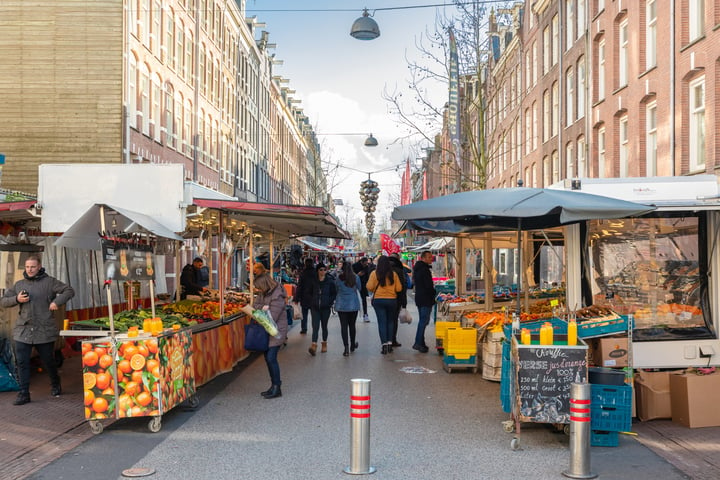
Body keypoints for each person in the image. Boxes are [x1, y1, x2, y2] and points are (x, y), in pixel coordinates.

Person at [1, 255, 75, 405]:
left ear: (39, 267)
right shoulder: (19, 284)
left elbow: (69, 290)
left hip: (44, 329)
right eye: (27, 267)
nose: (30, 270)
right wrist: (17, 299)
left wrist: (57, 301)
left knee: (48, 361)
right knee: (22, 362)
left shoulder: (50, 282)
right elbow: (3, 301)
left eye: (33, 267)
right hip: (24, 330)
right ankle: (24, 394)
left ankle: (55, 383)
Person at [252, 273, 288, 399]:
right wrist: (263, 307)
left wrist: (263, 310)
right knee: (268, 357)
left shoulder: (277, 295)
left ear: (264, 285)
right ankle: (273, 386)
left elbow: (273, 315)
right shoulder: (263, 293)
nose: (257, 290)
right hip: (267, 329)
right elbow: (254, 306)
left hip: (277, 330)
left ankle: (277, 387)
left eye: (258, 287)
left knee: (271, 357)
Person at [366, 255, 402, 354]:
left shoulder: (374, 273)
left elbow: (369, 287)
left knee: (382, 322)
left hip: (379, 300)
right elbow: (399, 288)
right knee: (390, 322)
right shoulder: (393, 274)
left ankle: (384, 345)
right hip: (392, 300)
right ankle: (390, 343)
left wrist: (375, 290)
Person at [334, 259, 361, 357]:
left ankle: (346, 348)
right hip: (353, 304)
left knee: (343, 327)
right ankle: (353, 345)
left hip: (341, 305)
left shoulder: (338, 278)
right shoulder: (356, 277)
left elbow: (336, 289)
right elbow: (360, 288)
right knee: (352, 325)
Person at [308, 262, 336, 356]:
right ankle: (314, 345)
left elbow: (333, 293)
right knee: (315, 327)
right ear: (317, 271)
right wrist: (312, 301)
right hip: (315, 307)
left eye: (324, 269)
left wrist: (329, 302)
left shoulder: (330, 281)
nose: (323, 271)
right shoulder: (313, 281)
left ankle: (324, 343)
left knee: (324, 326)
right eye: (321, 269)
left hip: (325, 307)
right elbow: (309, 292)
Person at [412, 251, 437, 353]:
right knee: (423, 321)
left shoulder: (417, 269)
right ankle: (418, 342)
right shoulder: (425, 270)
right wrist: (433, 292)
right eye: (429, 257)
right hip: (426, 298)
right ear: (423, 258)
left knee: (422, 320)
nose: (431, 258)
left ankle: (421, 343)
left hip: (419, 297)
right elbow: (428, 286)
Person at [388, 253, 409, 348]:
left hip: (381, 299)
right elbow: (402, 288)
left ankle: (385, 341)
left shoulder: (381, 270)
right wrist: (404, 303)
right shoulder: (399, 271)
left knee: (384, 320)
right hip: (395, 299)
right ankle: (392, 340)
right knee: (393, 320)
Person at [295, 258, 316, 334]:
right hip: (314, 297)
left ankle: (304, 328)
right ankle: (315, 328)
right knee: (314, 314)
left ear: (305, 264)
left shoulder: (303, 273)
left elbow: (299, 286)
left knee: (304, 314)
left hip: (304, 297)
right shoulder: (315, 273)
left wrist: (296, 298)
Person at [352, 257, 371, 322]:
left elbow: (367, 276)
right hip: (354, 285)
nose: (365, 265)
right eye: (364, 264)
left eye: (366, 264)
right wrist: (358, 275)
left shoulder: (367, 267)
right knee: (354, 298)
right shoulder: (354, 266)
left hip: (363, 285)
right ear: (361, 262)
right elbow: (351, 275)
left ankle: (365, 314)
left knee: (364, 299)